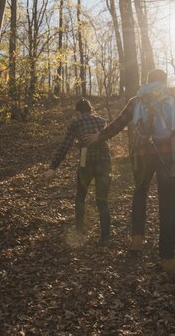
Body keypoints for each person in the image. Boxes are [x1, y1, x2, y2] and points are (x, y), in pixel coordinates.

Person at [85, 69, 175, 273]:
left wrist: (100, 136)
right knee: (168, 204)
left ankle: (136, 240)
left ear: (147, 82)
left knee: (139, 193)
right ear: (164, 82)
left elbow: (119, 123)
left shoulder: (136, 100)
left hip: (142, 154)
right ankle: (168, 259)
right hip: (170, 154)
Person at [46, 98, 112, 244]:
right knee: (103, 201)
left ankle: (79, 231)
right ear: (90, 109)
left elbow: (65, 145)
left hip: (86, 165)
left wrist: (53, 166)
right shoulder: (102, 121)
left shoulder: (76, 124)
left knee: (80, 197)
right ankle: (105, 238)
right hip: (105, 164)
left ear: (78, 112)